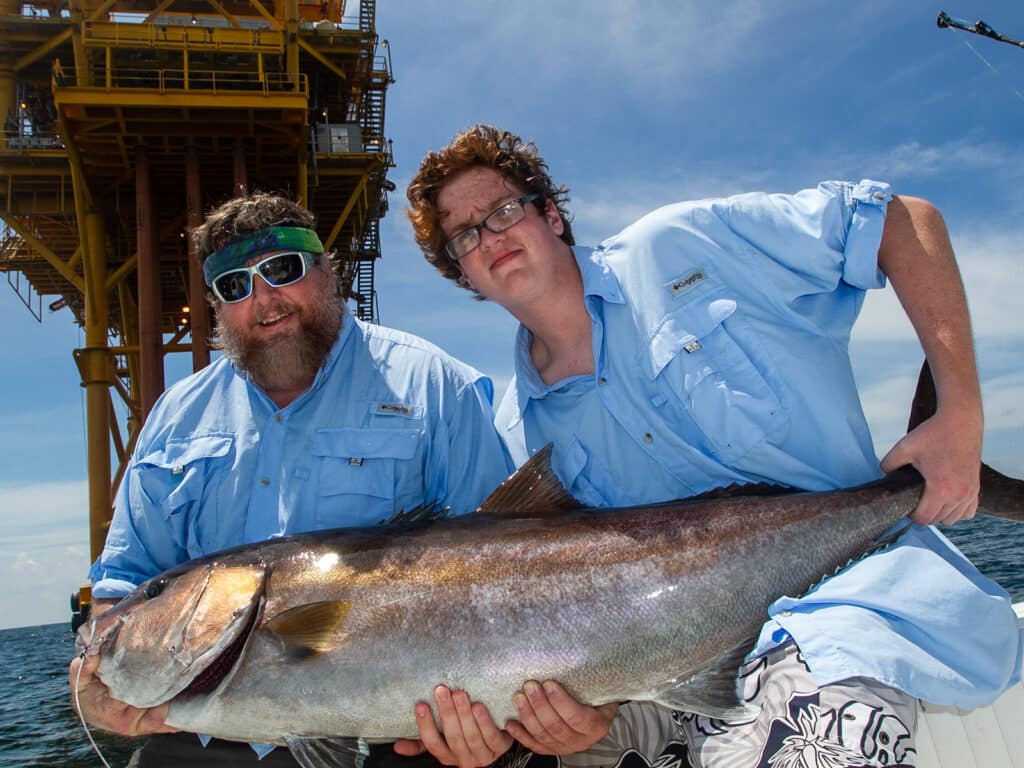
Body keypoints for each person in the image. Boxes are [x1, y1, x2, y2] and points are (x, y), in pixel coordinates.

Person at [402, 125, 1022, 768]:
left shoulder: (679, 246)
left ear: (552, 215)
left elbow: (899, 221)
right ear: (464, 273)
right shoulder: (519, 435)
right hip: (671, 677)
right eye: (466, 235)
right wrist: (586, 714)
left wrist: (959, 413)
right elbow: (585, 614)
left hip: (840, 611)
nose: (491, 237)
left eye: (503, 211)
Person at [68, 192, 515, 767]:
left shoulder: (434, 384)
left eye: (282, 270)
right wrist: (98, 677)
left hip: (397, 740)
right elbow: (126, 580)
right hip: (196, 741)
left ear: (327, 271)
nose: (263, 300)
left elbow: (510, 561)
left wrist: (502, 710)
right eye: (234, 286)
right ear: (217, 307)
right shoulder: (175, 416)